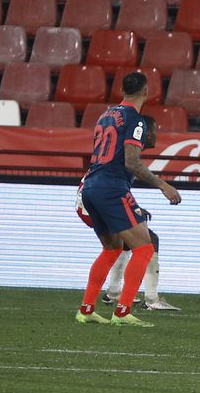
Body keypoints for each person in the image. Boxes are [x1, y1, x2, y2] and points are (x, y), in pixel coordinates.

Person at [75, 72, 181, 327]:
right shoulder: (136, 120)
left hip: (90, 186)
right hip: (112, 187)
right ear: (146, 91)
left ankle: (86, 309)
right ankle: (122, 312)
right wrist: (163, 185)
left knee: (112, 249)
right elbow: (131, 161)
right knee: (144, 248)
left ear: (122, 90)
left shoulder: (106, 115)